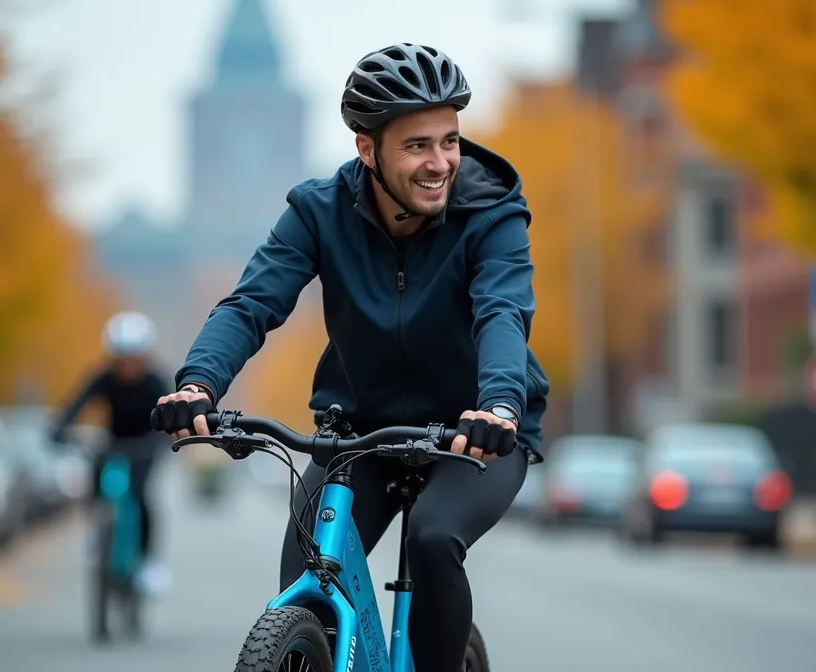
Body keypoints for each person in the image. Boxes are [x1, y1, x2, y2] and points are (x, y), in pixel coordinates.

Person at [151, 43, 549, 671]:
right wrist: (199, 384)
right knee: (307, 573)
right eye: (417, 145)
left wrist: (499, 402)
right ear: (368, 150)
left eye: (449, 140)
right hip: (361, 433)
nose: (440, 162)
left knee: (434, 536)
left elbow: (501, 311)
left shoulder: (492, 211)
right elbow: (252, 302)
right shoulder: (319, 211)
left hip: (477, 437)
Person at [52, 311, 172, 595]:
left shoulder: (155, 383)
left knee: (141, 496)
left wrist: (166, 439)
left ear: (145, 357)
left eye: (135, 359)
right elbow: (77, 403)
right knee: (96, 485)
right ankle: (99, 532)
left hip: (145, 446)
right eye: (122, 359)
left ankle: (146, 560)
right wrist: (60, 426)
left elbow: (172, 416)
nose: (128, 366)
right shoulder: (103, 379)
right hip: (112, 444)